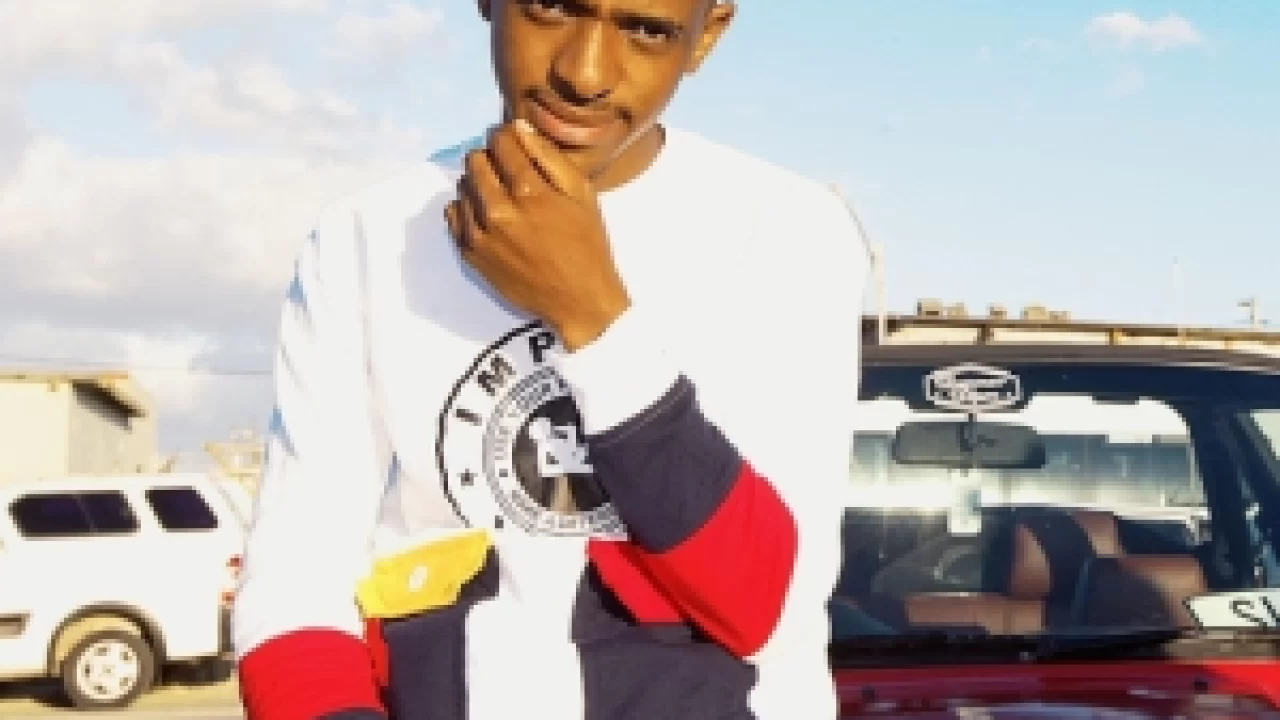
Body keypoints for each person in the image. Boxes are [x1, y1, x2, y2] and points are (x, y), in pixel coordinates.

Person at [232, 0, 869, 718]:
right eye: (552, 8)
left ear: (706, 36)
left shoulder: (788, 232)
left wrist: (590, 313)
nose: (584, 74)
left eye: (646, 30)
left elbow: (763, 605)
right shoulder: (369, 235)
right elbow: (295, 581)